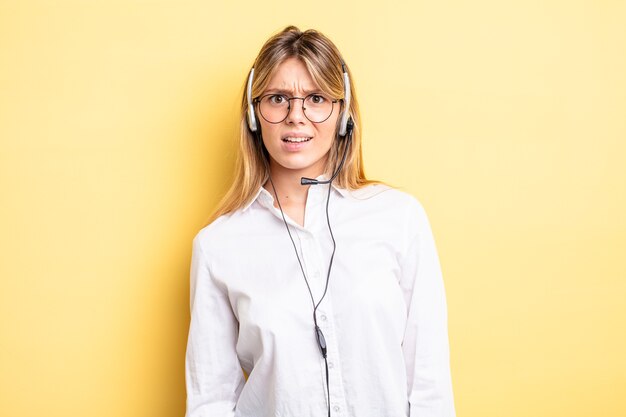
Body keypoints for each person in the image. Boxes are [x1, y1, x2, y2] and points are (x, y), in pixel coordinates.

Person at [184, 26, 456, 417]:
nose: (297, 117)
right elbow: (210, 400)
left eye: (315, 99)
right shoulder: (217, 246)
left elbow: (430, 385)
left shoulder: (400, 218)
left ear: (343, 112)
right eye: (278, 99)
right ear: (254, 114)